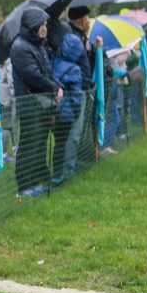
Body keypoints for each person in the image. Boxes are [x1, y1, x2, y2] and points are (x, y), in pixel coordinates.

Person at [10, 7, 63, 198]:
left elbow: (47, 72)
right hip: (30, 104)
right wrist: (53, 89)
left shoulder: (37, 45)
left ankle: (35, 182)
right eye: (43, 24)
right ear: (33, 25)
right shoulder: (20, 47)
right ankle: (24, 188)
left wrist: (58, 86)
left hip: (41, 105)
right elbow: (33, 76)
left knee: (39, 145)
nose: (45, 27)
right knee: (28, 147)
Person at [51, 33, 85, 183]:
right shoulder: (75, 69)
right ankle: (59, 175)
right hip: (66, 113)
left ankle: (53, 172)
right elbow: (77, 95)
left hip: (52, 110)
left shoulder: (53, 62)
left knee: (55, 142)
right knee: (62, 144)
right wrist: (77, 112)